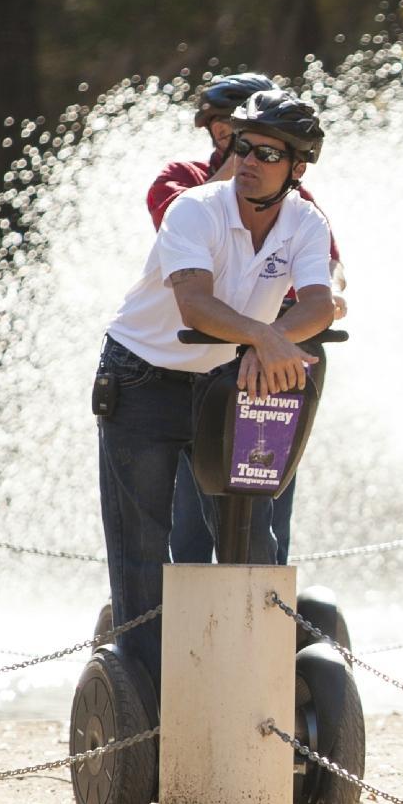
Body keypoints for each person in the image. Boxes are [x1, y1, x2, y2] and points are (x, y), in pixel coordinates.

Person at [92, 89, 336, 692]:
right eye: (242, 145)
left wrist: (268, 341)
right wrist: (268, 340)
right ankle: (150, 703)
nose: (248, 159)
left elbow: (321, 304)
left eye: (268, 152)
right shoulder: (195, 209)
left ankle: (252, 687)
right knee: (144, 554)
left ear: (297, 168)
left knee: (252, 536)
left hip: (222, 382)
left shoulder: (305, 220)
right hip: (141, 377)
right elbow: (195, 302)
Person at [149, 73, 347, 569]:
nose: (245, 153)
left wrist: (323, 303)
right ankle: (186, 603)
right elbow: (189, 262)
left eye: (265, 147)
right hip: (198, 355)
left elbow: (328, 274)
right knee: (194, 499)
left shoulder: (297, 205)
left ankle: (263, 604)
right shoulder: (184, 182)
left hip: (272, 357)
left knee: (264, 493)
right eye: (235, 136)